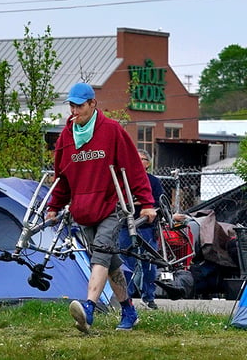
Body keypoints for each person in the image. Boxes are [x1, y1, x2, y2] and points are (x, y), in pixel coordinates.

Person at [46, 82, 156, 333]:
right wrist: (54, 206)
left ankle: (89, 309)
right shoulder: (66, 137)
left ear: (93, 104)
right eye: (72, 105)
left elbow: (135, 169)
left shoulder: (112, 130)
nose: (75, 111)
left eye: (80, 105)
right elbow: (62, 177)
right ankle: (129, 311)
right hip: (82, 210)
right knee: (110, 261)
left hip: (110, 205)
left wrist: (147, 203)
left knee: (101, 253)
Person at [118, 149, 163, 309]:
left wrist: (145, 205)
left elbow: (159, 204)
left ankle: (148, 297)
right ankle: (126, 299)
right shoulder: (123, 181)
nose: (137, 162)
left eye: (142, 159)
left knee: (149, 265)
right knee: (126, 264)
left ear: (148, 163)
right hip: (125, 227)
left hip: (147, 228)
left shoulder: (154, 182)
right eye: (134, 159)